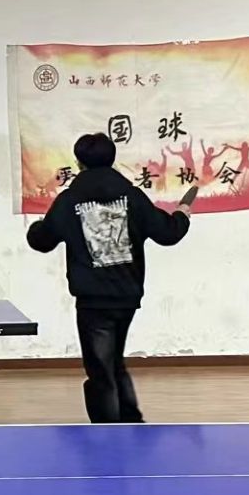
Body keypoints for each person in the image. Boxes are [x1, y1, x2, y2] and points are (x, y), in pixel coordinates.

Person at [24, 133, 191, 423]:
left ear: (79, 163)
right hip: (127, 297)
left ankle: (107, 433)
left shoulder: (69, 201)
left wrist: (36, 227)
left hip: (92, 301)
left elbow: (42, 241)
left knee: (101, 370)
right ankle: (132, 423)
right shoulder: (133, 197)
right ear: (112, 160)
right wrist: (182, 215)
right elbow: (168, 233)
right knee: (113, 363)